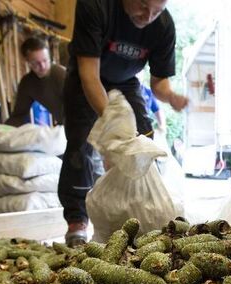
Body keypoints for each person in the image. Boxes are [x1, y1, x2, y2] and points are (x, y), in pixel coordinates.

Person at [61, 0, 189, 246]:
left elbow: (159, 84)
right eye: (142, 6)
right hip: (86, 79)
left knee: (141, 140)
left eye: (157, 10)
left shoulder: (163, 25)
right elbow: (89, 74)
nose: (148, 16)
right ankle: (77, 221)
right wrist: (113, 123)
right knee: (80, 145)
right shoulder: (96, 6)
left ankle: (136, 215)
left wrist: (171, 96)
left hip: (126, 81)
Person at [5, 37, 66, 127]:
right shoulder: (28, 84)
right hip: (67, 126)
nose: (43, 66)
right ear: (27, 62)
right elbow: (18, 116)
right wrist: (3, 130)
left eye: (45, 60)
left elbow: (79, 105)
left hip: (87, 121)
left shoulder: (61, 75)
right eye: (36, 63)